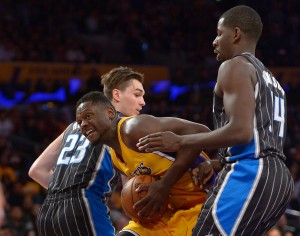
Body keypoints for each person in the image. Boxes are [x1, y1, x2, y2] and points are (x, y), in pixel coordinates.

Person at [136, 5, 294, 236]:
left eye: (220, 33)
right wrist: (217, 163)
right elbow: (262, 140)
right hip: (278, 179)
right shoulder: (273, 82)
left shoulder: (235, 66)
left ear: (236, 34)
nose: (214, 41)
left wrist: (180, 142)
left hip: (251, 174)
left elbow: (241, 132)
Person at [28, 66, 146, 236]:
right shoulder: (123, 124)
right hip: (85, 204)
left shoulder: (74, 125)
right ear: (117, 95)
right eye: (137, 94)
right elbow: (130, 186)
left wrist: (65, 192)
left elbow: (36, 170)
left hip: (48, 212)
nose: (142, 101)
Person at [75, 91, 211, 236]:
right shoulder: (114, 157)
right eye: (79, 122)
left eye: (88, 116)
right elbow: (135, 195)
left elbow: (200, 131)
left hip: (202, 204)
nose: (83, 124)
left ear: (109, 113)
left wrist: (165, 184)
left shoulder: (134, 128)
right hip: (165, 216)